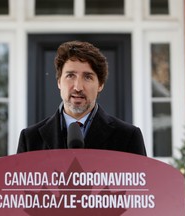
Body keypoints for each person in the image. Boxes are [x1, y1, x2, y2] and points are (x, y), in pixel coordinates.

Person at [17, 40, 146, 156]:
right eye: (70, 75)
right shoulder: (29, 139)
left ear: (100, 84)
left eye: (87, 77)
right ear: (59, 82)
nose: (78, 87)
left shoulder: (128, 137)